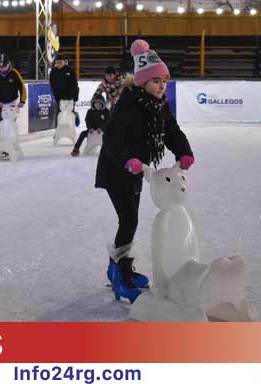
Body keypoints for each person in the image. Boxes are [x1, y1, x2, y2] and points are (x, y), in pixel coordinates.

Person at [95, 39, 193, 303]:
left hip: (137, 170)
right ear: (142, 82)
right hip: (117, 168)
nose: (161, 85)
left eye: (164, 80)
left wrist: (183, 151)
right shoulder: (129, 102)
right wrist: (129, 161)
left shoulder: (160, 104)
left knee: (130, 219)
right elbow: (112, 138)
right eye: (156, 81)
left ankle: (115, 268)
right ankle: (122, 276)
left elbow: (172, 131)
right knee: (129, 220)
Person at [0, 53, 26, 149]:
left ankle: (9, 145)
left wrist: (22, 100)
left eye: (4, 66)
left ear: (8, 64)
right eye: (0, 67)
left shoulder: (14, 73)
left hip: (11, 103)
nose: (2, 69)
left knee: (9, 126)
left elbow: (22, 87)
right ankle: (2, 147)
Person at [48, 53, 79, 129]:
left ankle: (71, 129)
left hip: (70, 98)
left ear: (65, 62)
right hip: (59, 98)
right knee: (59, 114)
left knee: (70, 114)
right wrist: (57, 97)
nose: (58, 64)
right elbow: (52, 85)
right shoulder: (53, 72)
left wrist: (75, 97)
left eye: (60, 62)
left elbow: (75, 85)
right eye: (57, 62)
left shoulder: (70, 71)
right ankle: (57, 130)